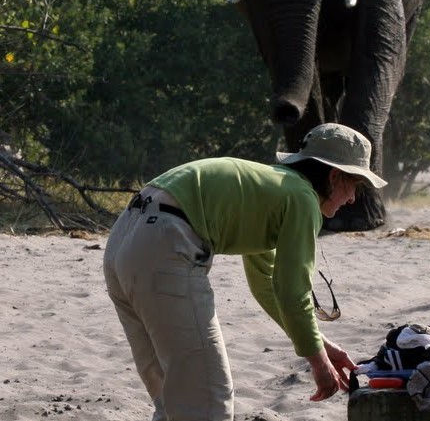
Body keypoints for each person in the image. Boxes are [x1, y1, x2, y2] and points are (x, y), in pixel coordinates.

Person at [103, 122, 388, 421]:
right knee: (207, 400)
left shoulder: (273, 189)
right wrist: (318, 364)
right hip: (164, 242)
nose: (354, 198)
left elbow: (266, 284)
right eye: (354, 184)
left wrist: (320, 344)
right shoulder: (302, 198)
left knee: (175, 398)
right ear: (333, 175)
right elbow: (293, 292)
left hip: (125, 238)